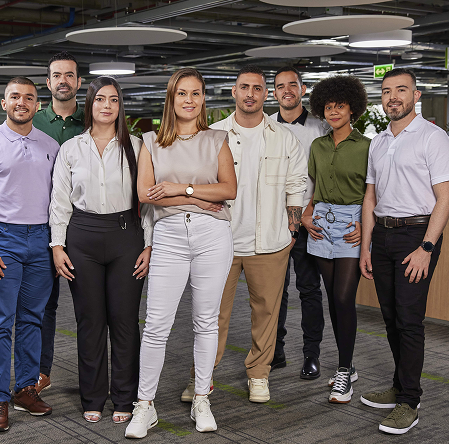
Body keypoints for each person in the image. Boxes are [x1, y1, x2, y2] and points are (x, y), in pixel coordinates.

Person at [124, 68, 237, 438]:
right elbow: (144, 194)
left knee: (205, 321)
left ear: (204, 99)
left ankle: (202, 397)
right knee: (156, 324)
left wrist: (180, 190)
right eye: (182, 94)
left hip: (212, 234)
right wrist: (200, 194)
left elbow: (229, 191)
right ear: (171, 99)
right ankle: (145, 405)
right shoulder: (150, 141)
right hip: (169, 234)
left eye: (197, 93)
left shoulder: (218, 138)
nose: (190, 100)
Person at [49, 76, 153, 424]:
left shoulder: (137, 148)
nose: (107, 106)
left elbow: (150, 203)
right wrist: (57, 246)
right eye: (100, 100)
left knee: (124, 321)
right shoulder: (71, 149)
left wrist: (150, 244)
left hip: (127, 236)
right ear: (89, 105)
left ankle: (125, 397)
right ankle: (93, 396)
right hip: (82, 237)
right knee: (90, 321)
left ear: (120, 107)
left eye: (113, 100)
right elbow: (59, 203)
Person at [358, 68, 449, 434]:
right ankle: (401, 385)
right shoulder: (378, 141)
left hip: (417, 235)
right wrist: (366, 246)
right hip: (382, 236)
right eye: (386, 91)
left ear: (416, 95)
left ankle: (410, 400)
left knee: (409, 320)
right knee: (389, 318)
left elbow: (445, 199)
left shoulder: (433, 137)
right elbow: (370, 198)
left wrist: (426, 247)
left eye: (401, 89)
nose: (393, 96)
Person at [203, 65, 308, 404]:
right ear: (233, 92)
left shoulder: (284, 137)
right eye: (244, 87)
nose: (250, 93)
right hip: (221, 241)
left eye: (258, 88)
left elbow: (296, 186)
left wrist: (292, 227)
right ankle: (202, 375)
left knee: (267, 313)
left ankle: (259, 373)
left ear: (266, 95)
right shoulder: (212, 135)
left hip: (271, 242)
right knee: (212, 313)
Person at [0, 76, 60, 432]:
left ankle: (25, 389)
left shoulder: (51, 145)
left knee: (33, 318)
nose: (22, 102)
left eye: (29, 98)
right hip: (2, 238)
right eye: (15, 97)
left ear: (38, 105)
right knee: (2, 321)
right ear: (3, 103)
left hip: (41, 239)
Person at [301, 75, 370, 404]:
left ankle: (344, 371)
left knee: (344, 298)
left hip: (351, 224)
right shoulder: (317, 146)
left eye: (340, 106)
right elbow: (313, 191)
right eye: (328, 107)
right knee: (332, 298)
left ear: (352, 109)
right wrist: (305, 215)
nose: (333, 112)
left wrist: (367, 227)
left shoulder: (368, 147)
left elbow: (377, 194)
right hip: (322, 224)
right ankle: (349, 364)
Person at [269, 66, 328, 379]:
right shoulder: (265, 126)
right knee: (273, 292)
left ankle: (311, 354)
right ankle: (275, 352)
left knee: (309, 290)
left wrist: (306, 212)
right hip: (273, 224)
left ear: (302, 90)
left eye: (293, 85)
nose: (286, 90)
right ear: (274, 93)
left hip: (307, 221)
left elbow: (324, 176)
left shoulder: (320, 127)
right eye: (280, 86)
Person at [31, 51, 85, 394]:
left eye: (69, 75)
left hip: (87, 228)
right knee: (42, 306)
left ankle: (95, 378)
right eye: (56, 75)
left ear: (78, 82)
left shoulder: (96, 118)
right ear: (48, 83)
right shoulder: (32, 123)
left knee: (92, 310)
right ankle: (41, 371)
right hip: (40, 227)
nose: (63, 80)